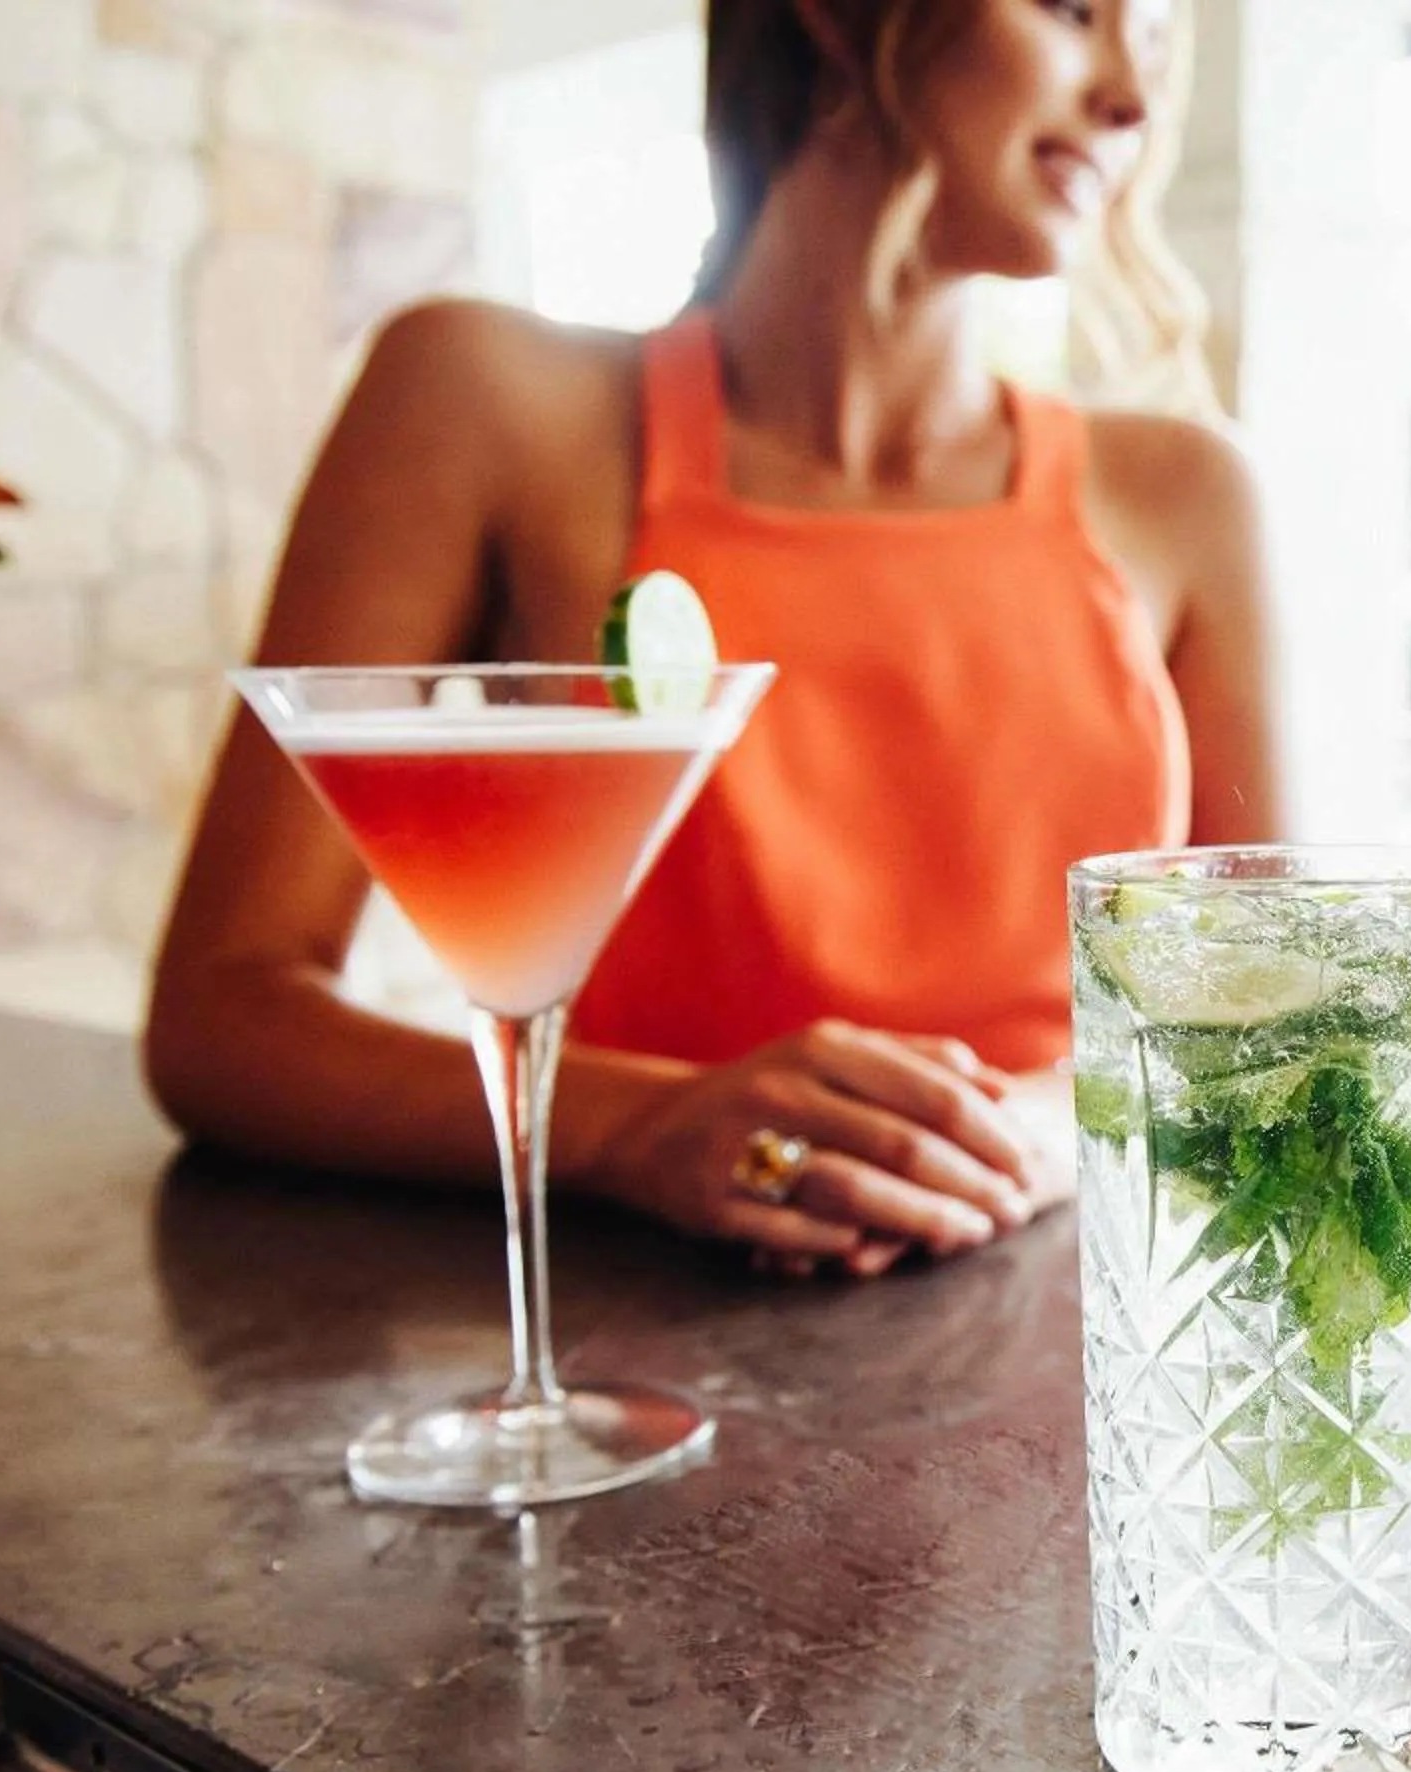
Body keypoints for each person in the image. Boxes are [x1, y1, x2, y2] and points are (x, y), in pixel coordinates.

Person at [145, 0, 1279, 1280]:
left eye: (1162, 40)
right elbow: (223, 1015)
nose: (1133, 95)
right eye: (1075, 10)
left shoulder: (1186, 495)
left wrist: (1021, 1136)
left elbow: (1286, 1021)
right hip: (633, 1332)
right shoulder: (485, 401)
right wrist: (642, 1126)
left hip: (1082, 1336)